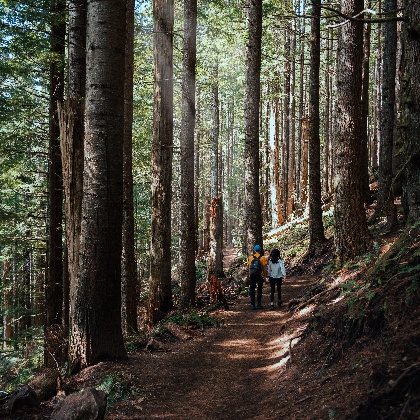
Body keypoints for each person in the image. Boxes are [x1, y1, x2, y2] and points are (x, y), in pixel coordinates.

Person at [247, 244, 268, 310]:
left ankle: (252, 305)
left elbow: (249, 268)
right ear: (260, 250)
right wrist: (265, 276)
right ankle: (259, 303)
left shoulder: (251, 258)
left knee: (252, 290)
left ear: (254, 250)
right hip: (259, 275)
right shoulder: (262, 258)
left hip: (252, 275)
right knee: (259, 289)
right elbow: (264, 268)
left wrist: (249, 276)